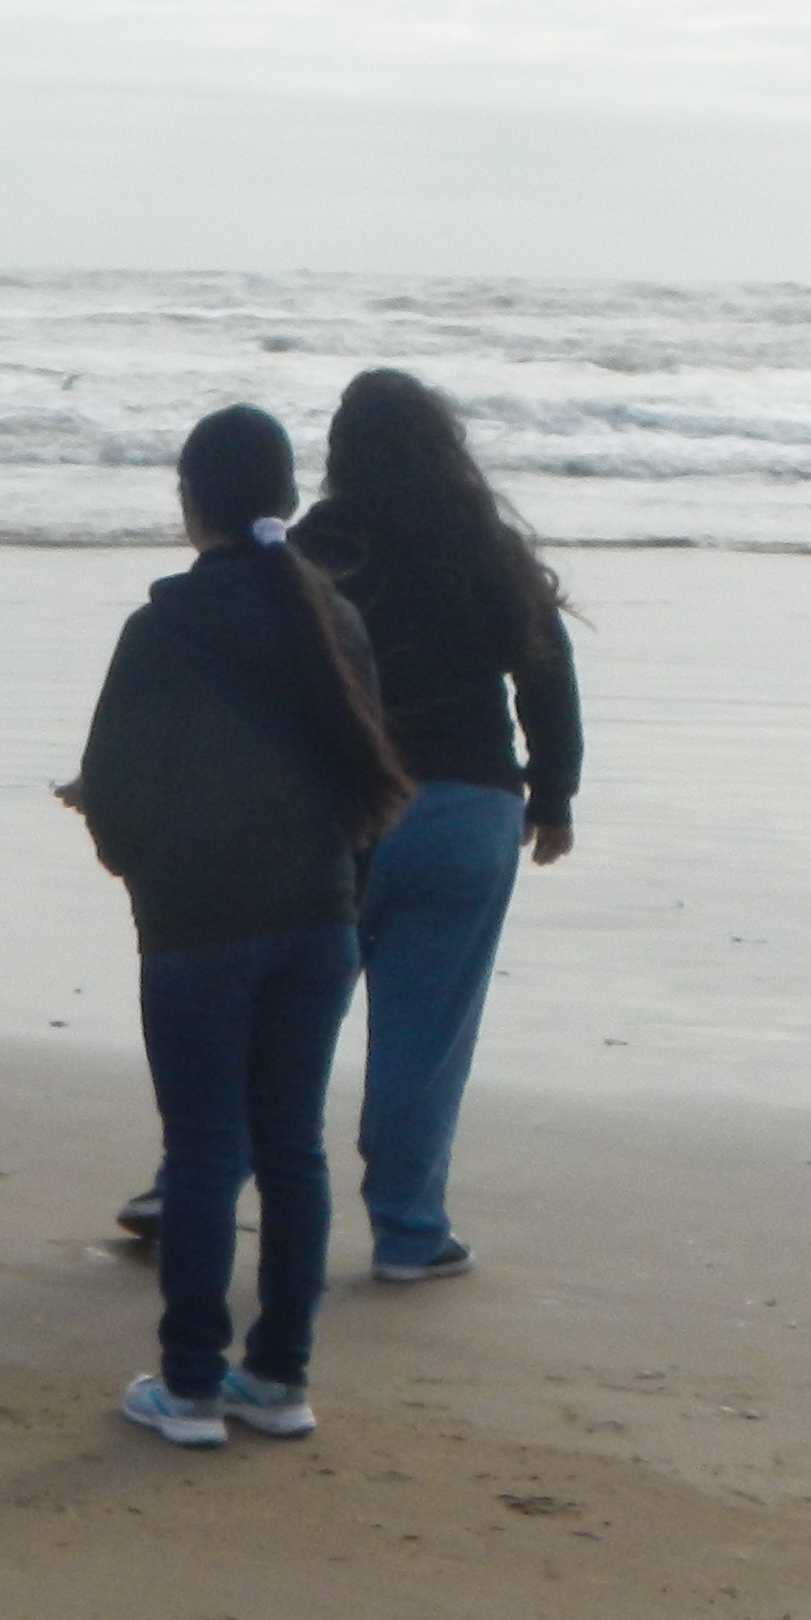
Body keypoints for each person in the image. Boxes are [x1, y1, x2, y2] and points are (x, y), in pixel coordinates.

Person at [66, 405, 412, 1449]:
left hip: (201, 926)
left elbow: (121, 790)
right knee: (290, 1150)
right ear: (287, 498)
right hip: (318, 919)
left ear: (190, 503)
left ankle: (189, 1385)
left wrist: (133, 856)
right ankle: (279, 1376)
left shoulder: (165, 625)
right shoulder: (332, 617)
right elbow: (368, 776)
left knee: (208, 1152)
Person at [287, 368, 582, 1282]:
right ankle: (411, 1235)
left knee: (292, 1024)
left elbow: (274, 673)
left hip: (343, 809)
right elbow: (547, 675)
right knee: (426, 1034)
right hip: (469, 810)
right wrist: (554, 797)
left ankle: (220, 1193)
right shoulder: (483, 548)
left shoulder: (319, 547)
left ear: (341, 452)